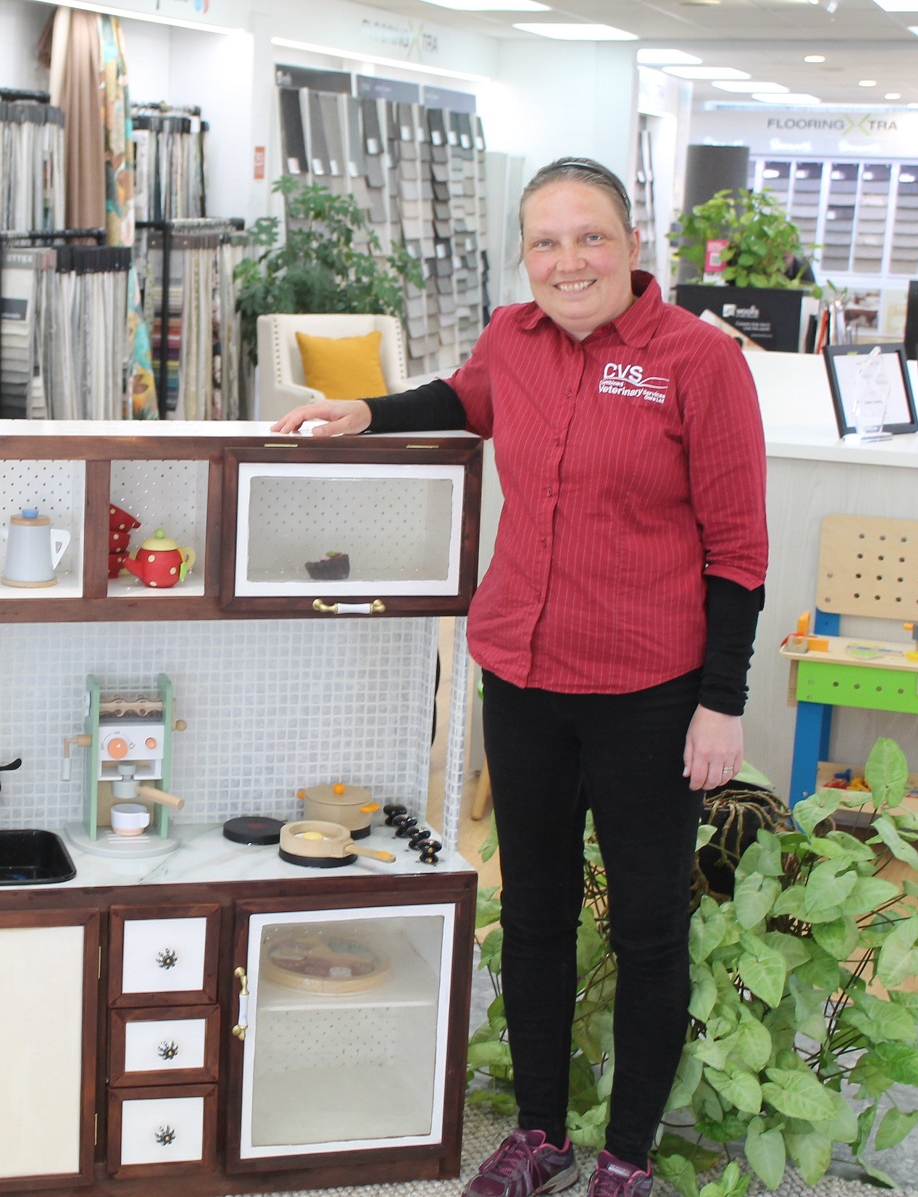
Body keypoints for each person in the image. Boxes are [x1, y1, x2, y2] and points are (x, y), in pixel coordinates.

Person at [272, 157, 767, 1197]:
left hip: (649, 690)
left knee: (643, 926)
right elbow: (466, 393)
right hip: (527, 677)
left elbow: (737, 548)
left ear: (632, 246)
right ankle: (539, 1134)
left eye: (588, 237)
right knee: (535, 913)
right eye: (545, 240)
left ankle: (625, 1158)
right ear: (525, 258)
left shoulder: (698, 361)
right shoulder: (514, 336)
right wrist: (367, 410)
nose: (567, 259)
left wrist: (721, 700)